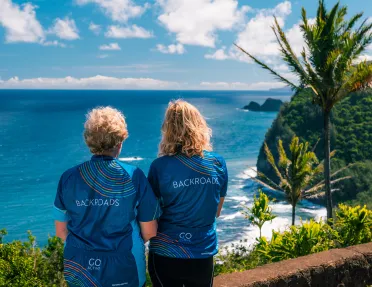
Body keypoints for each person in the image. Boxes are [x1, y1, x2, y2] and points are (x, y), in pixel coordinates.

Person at [53, 106, 160, 287]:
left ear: (89, 140)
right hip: (124, 268)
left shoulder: (68, 177)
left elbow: (61, 232)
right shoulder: (134, 176)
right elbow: (150, 231)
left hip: (79, 269)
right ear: (120, 141)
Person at [148, 100, 228, 287]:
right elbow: (216, 211)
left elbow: (150, 215)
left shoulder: (159, 167)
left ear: (168, 129)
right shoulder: (217, 163)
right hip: (202, 252)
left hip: (165, 252)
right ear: (199, 125)